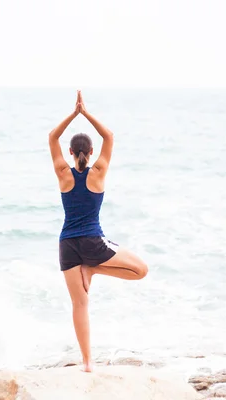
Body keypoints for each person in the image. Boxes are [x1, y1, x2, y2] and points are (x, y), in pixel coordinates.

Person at [48, 90, 148, 372]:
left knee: (80, 305)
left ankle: (88, 363)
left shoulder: (62, 172)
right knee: (141, 270)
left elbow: (52, 137)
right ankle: (94, 269)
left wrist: (73, 114)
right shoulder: (98, 172)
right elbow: (110, 137)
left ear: (70, 152)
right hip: (93, 243)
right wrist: (86, 113)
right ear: (91, 153)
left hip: (67, 245)